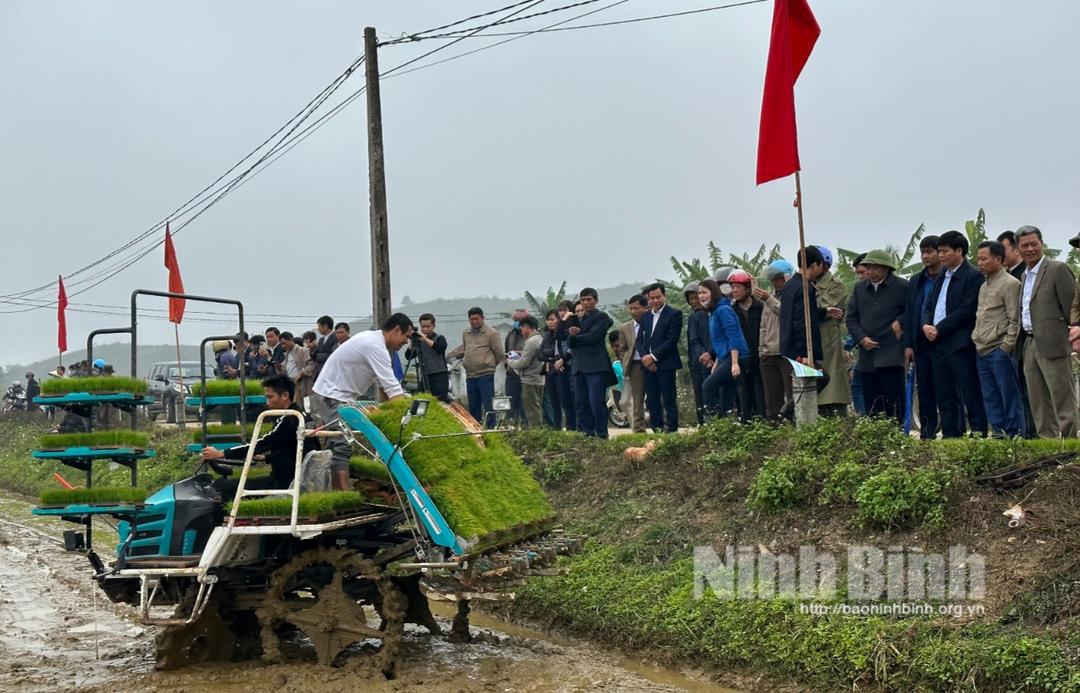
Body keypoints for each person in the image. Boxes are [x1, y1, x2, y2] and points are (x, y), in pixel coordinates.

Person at [312, 313, 413, 490]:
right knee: (341, 444)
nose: (405, 342)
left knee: (338, 444)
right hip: (332, 394)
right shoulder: (375, 346)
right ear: (397, 330)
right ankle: (342, 497)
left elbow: (384, 384)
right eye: (405, 336)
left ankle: (337, 491)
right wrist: (408, 414)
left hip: (340, 395)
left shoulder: (374, 342)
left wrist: (397, 406)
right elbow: (392, 388)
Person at [200, 375, 318, 493]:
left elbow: (263, 443)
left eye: (270, 397)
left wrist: (221, 453)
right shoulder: (303, 417)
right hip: (293, 479)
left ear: (285, 396)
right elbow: (293, 452)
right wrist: (265, 457)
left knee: (223, 486)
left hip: (283, 483)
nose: (267, 402)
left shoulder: (290, 419)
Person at [922, 230, 987, 438]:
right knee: (945, 395)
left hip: (960, 343)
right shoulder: (942, 275)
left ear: (959, 251)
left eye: (944, 251)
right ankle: (952, 437)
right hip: (937, 343)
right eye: (939, 251)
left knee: (970, 393)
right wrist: (925, 324)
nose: (941, 256)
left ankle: (978, 435)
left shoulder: (972, 276)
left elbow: (966, 310)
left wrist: (939, 328)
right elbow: (930, 304)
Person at [1017, 225, 1078, 438]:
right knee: (1039, 401)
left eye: (1034, 244)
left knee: (1062, 398)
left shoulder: (1057, 269)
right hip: (1030, 343)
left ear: (1041, 244)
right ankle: (1049, 446)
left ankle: (1071, 445)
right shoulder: (1024, 276)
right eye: (1025, 245)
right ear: (1018, 249)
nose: (1030, 249)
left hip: (1053, 342)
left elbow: (1073, 307)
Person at [845, 250, 909, 424]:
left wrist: (900, 321)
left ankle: (897, 434)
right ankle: (877, 438)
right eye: (868, 268)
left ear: (886, 269)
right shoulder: (860, 288)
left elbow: (912, 311)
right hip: (867, 354)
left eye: (875, 268)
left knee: (894, 401)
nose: (870, 272)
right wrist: (861, 338)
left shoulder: (902, 286)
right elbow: (851, 318)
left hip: (891, 352)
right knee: (872, 403)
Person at [972, 241, 1024, 437]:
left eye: (984, 258)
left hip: (999, 349)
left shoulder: (1010, 284)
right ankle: (999, 434)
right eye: (978, 258)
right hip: (981, 349)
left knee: (1008, 395)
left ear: (999, 259)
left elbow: (1015, 319)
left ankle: (1015, 435)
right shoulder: (983, 286)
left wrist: (1006, 347)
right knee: (990, 396)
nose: (980, 262)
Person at [903, 235, 942, 438]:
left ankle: (954, 432)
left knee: (947, 390)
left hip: (944, 341)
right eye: (923, 252)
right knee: (925, 390)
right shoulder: (916, 280)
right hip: (921, 343)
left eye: (930, 251)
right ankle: (927, 433)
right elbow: (910, 313)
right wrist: (909, 344)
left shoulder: (947, 276)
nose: (925, 256)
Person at [636, 282, 684, 433]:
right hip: (648, 365)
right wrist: (646, 357)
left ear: (664, 296)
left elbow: (671, 340)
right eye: (652, 298)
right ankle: (657, 428)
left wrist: (654, 357)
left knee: (668, 398)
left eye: (658, 297)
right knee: (652, 399)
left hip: (666, 363)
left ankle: (672, 429)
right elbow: (640, 340)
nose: (655, 301)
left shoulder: (674, 314)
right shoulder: (645, 317)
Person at [447, 307, 505, 427]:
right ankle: (476, 429)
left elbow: (499, 353)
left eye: (477, 319)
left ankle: (490, 429)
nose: (474, 322)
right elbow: (464, 348)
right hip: (471, 375)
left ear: (483, 318)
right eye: (472, 319)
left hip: (485, 374)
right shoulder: (466, 333)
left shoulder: (491, 333)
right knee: (473, 406)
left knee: (488, 404)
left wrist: (489, 365)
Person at [569, 288, 614, 438]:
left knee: (596, 402)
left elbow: (593, 337)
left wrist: (577, 336)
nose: (586, 302)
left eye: (589, 299)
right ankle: (588, 433)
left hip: (595, 366)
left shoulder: (602, 317)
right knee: (581, 404)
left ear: (596, 300)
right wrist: (573, 336)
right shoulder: (577, 319)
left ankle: (602, 433)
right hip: (579, 366)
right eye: (583, 300)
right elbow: (570, 342)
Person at [699, 279, 748, 418]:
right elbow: (719, 341)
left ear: (713, 293)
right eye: (699, 293)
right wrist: (717, 363)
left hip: (737, 357)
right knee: (725, 394)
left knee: (707, 386)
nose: (701, 296)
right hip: (725, 358)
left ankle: (712, 424)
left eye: (704, 292)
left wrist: (734, 363)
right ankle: (725, 428)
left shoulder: (724, 310)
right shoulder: (713, 312)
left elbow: (734, 336)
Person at [814, 247, 852, 416]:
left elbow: (820, 306)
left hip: (828, 339)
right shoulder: (806, 284)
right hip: (812, 339)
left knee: (833, 386)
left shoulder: (835, 285)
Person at [755, 260, 794, 420]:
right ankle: (774, 428)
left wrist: (769, 299)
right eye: (772, 280)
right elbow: (763, 326)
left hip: (785, 353)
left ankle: (792, 425)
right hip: (768, 354)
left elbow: (786, 313)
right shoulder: (770, 297)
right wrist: (761, 349)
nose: (775, 283)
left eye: (777, 279)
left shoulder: (792, 294)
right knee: (772, 397)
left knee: (791, 394)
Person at [780, 246, 828, 375]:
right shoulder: (805, 288)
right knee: (814, 383)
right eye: (820, 265)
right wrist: (805, 353)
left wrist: (824, 311)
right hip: (799, 351)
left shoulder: (788, 286)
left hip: (787, 346)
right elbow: (801, 321)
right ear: (814, 265)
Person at [728, 271, 766, 421]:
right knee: (743, 397)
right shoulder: (731, 311)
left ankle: (762, 424)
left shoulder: (760, 307)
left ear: (748, 288)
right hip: (741, 360)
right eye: (732, 287)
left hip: (758, 358)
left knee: (760, 396)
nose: (734, 290)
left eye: (738, 287)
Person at [616, 295, 649, 432]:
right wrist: (626, 361)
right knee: (637, 398)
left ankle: (661, 426)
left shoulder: (652, 323)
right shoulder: (625, 328)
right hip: (635, 365)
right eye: (631, 308)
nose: (634, 311)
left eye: (636, 308)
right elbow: (622, 349)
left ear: (645, 308)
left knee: (655, 395)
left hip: (653, 362)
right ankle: (638, 428)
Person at [507, 315, 544, 427]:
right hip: (539, 378)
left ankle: (535, 433)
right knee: (536, 407)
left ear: (527, 327)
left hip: (530, 380)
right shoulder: (540, 339)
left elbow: (524, 363)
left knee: (531, 410)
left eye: (522, 328)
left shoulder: (531, 341)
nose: (521, 331)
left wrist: (510, 361)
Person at [405, 313, 450, 401]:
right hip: (425, 376)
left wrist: (425, 339)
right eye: (423, 326)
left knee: (441, 402)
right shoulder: (419, 341)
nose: (425, 329)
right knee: (424, 401)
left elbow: (440, 348)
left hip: (439, 375)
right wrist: (411, 341)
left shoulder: (439, 338)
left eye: (428, 326)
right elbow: (408, 356)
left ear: (433, 326)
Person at [684, 281, 709, 425]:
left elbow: (695, 339)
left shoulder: (705, 314)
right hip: (697, 362)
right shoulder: (693, 316)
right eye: (691, 298)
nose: (694, 301)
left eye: (696, 297)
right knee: (699, 394)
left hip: (706, 359)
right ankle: (703, 422)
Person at [550, 301, 577, 430]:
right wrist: (557, 360)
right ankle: (570, 427)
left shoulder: (574, 324)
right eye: (560, 310)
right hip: (561, 366)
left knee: (574, 398)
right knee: (565, 400)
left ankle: (577, 427)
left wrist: (564, 360)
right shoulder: (560, 326)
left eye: (564, 310)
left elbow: (573, 346)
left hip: (572, 364)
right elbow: (557, 339)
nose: (562, 313)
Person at [503, 309, 529, 425]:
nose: (516, 323)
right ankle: (512, 425)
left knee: (526, 404)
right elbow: (506, 351)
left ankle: (526, 426)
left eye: (518, 320)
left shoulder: (532, 335)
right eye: (514, 320)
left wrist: (520, 354)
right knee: (512, 403)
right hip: (511, 374)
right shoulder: (511, 334)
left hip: (526, 375)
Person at [279, 331, 313, 407]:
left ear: (291, 340)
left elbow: (311, 365)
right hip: (291, 384)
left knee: (303, 407)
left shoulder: (303, 351)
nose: (283, 346)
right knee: (296, 406)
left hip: (302, 384)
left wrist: (301, 373)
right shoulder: (287, 354)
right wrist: (278, 367)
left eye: (284, 343)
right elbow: (284, 369)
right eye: (281, 344)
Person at [311, 315, 337, 380]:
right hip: (321, 373)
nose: (318, 329)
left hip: (331, 373)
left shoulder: (335, 337)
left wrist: (319, 356)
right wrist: (311, 348)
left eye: (319, 326)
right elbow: (314, 356)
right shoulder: (321, 340)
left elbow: (333, 356)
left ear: (325, 326)